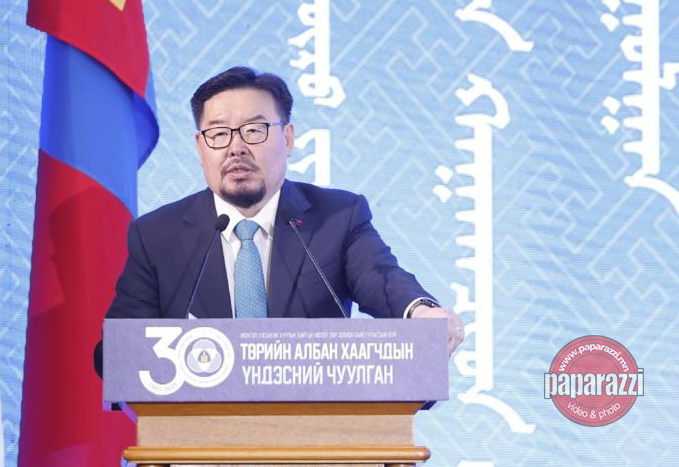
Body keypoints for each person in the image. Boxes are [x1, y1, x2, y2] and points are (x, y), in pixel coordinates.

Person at [102, 66, 464, 357]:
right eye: (219, 133)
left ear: (287, 138)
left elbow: (380, 278)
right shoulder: (157, 236)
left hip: (318, 424)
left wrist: (420, 311)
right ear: (200, 147)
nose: (236, 147)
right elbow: (116, 352)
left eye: (254, 130)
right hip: (197, 427)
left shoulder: (337, 218)